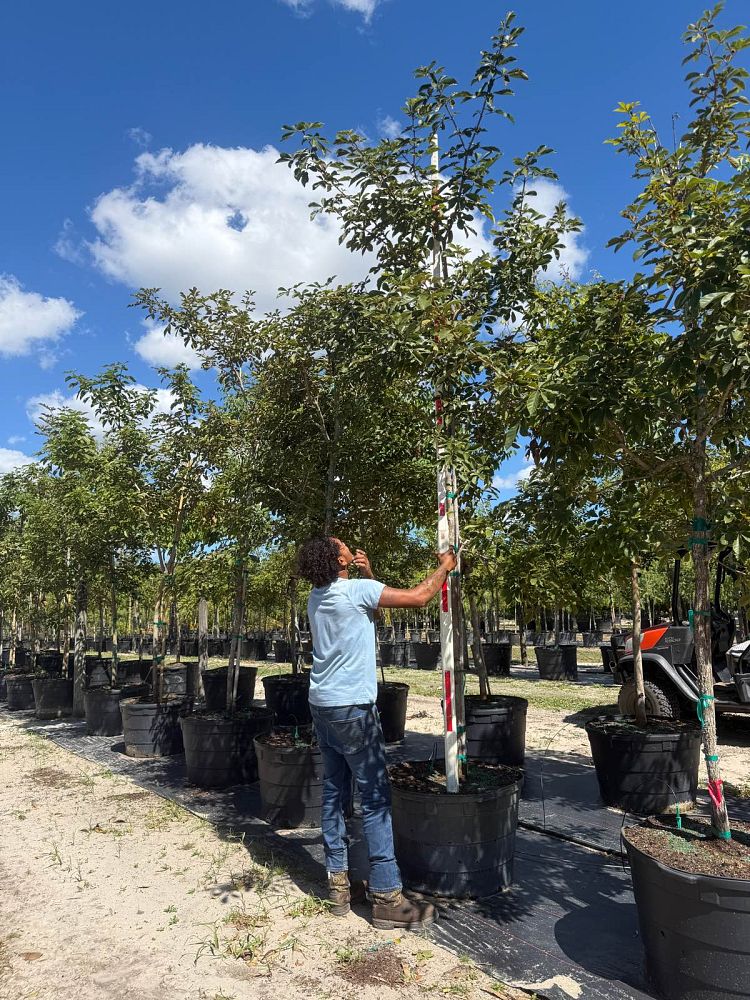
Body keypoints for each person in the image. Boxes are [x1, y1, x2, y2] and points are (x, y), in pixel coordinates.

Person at [296, 536, 458, 930]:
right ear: (338, 559)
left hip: (323, 705)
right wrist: (445, 567)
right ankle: (386, 895)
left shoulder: (317, 597)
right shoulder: (357, 591)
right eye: (344, 546)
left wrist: (368, 573)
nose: (351, 546)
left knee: (335, 791)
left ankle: (337, 883)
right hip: (353, 708)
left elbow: (369, 610)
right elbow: (419, 597)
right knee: (375, 797)